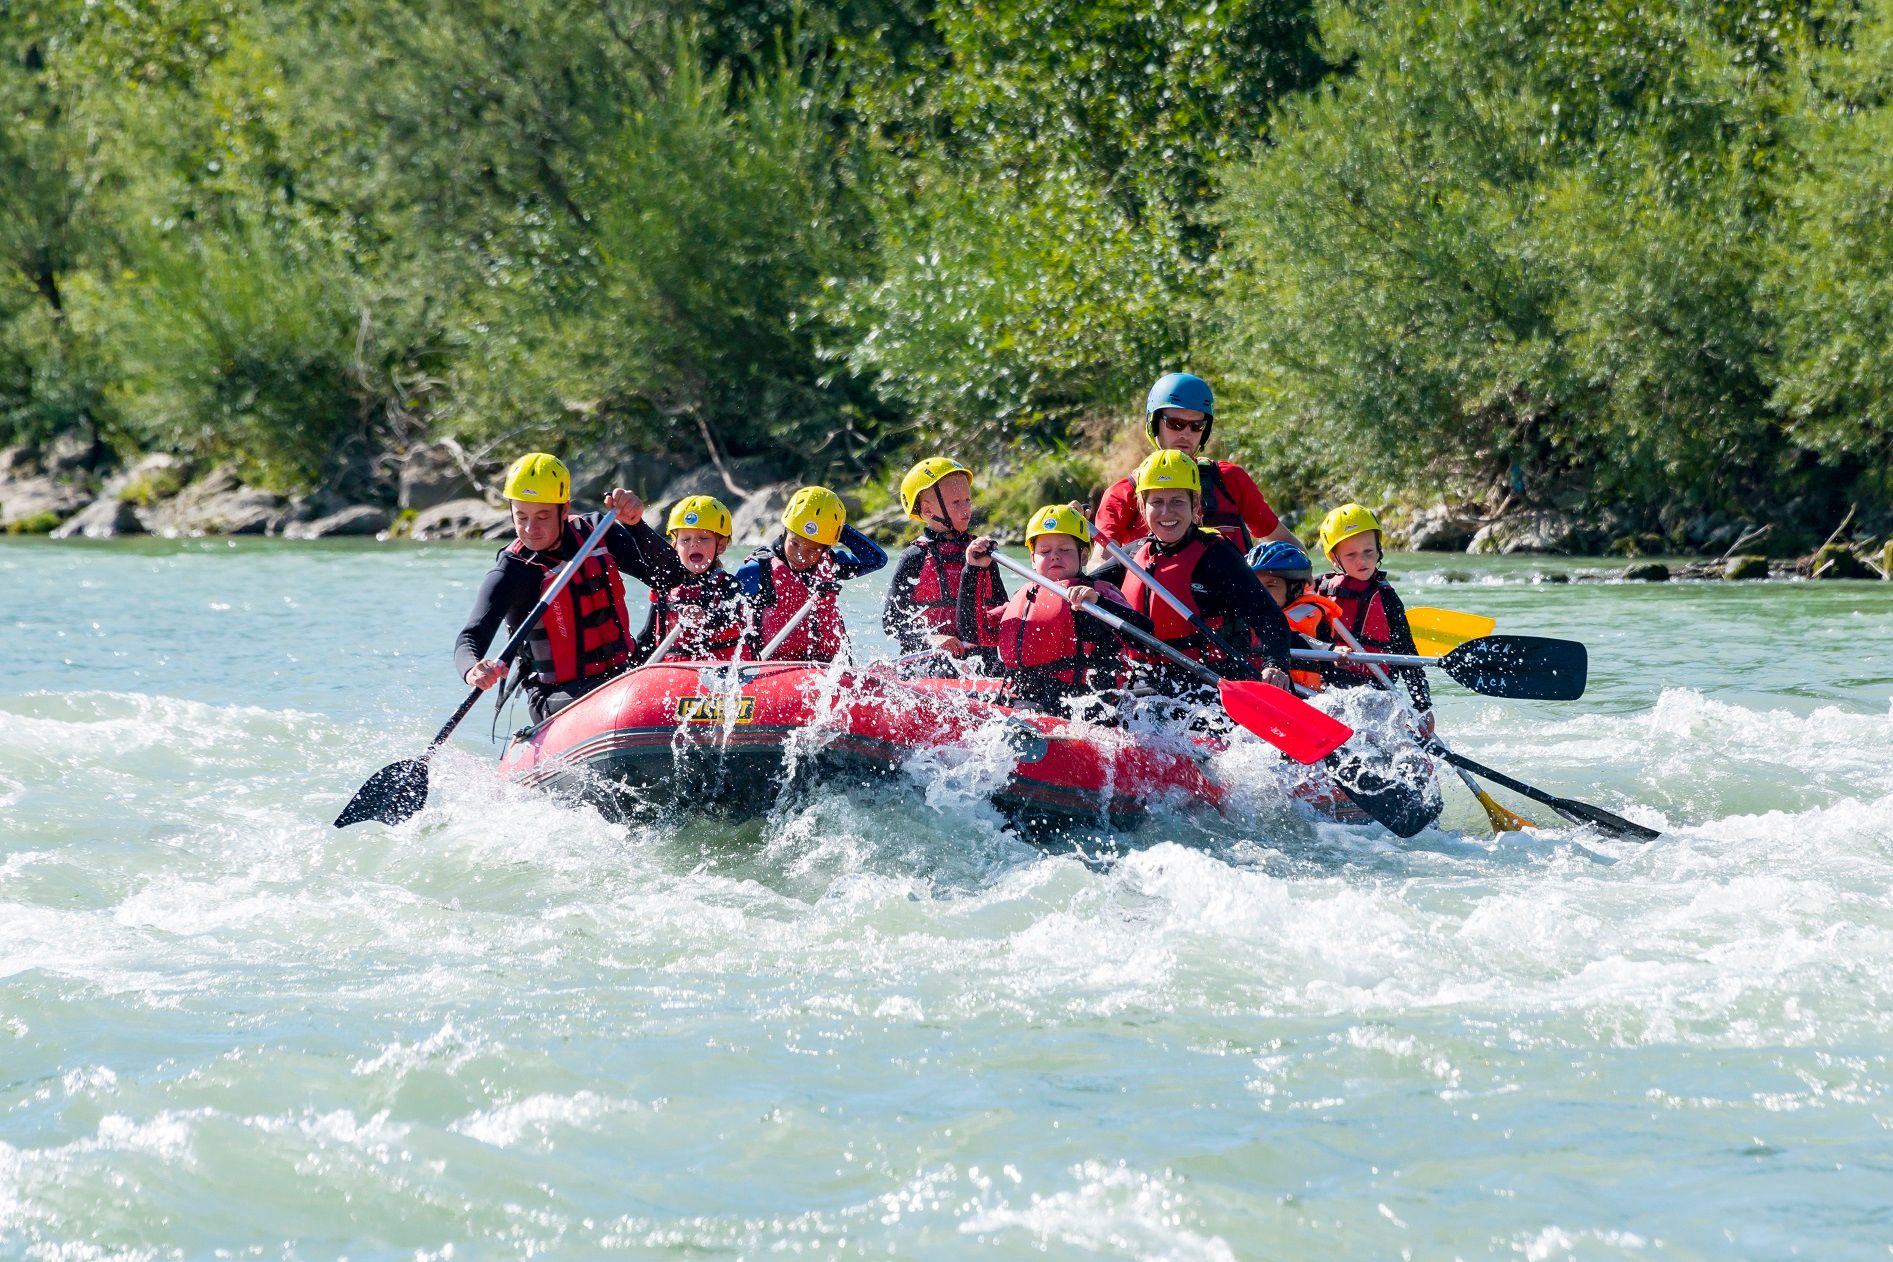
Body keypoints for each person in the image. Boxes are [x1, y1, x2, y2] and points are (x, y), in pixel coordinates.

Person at [456, 452, 688, 723]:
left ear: (564, 509)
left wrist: (636, 525)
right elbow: (470, 637)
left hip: (624, 674)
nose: (531, 529)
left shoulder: (598, 531)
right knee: (619, 696)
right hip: (556, 694)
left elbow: (671, 578)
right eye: (521, 516)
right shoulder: (512, 571)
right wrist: (473, 669)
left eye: (542, 516)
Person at [1087, 450, 1296, 699]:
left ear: (1195, 505)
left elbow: (1269, 616)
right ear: (1142, 507)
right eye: (1157, 502)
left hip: (1206, 685)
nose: (1167, 512)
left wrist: (1275, 664)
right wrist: (1069, 540)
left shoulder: (1217, 556)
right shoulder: (1131, 556)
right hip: (1145, 681)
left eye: (1177, 501)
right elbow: (1085, 584)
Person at [956, 505, 1153, 715]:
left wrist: (1100, 606)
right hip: (1024, 700)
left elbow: (1145, 638)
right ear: (1032, 559)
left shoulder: (1098, 593)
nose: (1055, 556)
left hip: (1083, 708)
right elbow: (974, 631)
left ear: (1084, 556)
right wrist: (973, 571)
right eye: (1044, 551)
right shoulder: (1025, 596)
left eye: (1064, 549)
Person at [1092, 372, 1300, 559]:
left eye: (1196, 426)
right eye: (1175, 424)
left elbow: (1289, 546)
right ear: (1154, 424)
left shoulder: (1230, 479)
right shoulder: (1123, 494)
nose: (1186, 434)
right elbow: (1098, 562)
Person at [736, 486, 887, 662]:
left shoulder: (830, 563)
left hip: (825, 669)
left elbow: (876, 559)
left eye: (813, 549)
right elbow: (729, 616)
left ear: (825, 548)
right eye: (794, 543)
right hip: (771, 668)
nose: (800, 555)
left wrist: (836, 529)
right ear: (786, 530)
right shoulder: (757, 568)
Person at [882, 455, 1003, 664]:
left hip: (982, 662)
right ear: (928, 510)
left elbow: (1003, 607)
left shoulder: (983, 554)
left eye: (967, 500)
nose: (965, 509)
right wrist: (930, 638)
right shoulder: (914, 557)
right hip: (930, 662)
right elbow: (892, 622)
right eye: (956, 502)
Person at [1313, 503, 1432, 713]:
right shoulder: (1318, 590)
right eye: (1351, 555)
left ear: (1379, 548)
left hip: (1375, 692)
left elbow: (1407, 653)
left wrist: (1423, 705)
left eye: (1369, 551)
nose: (1362, 560)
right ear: (1334, 557)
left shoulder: (1387, 598)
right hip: (1324, 691)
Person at [636, 495, 747, 662]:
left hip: (719, 673)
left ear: (721, 546)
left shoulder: (728, 585)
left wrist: (705, 617)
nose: (694, 544)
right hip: (670, 676)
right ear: (674, 546)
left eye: (704, 538)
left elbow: (728, 615)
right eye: (685, 540)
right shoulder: (665, 587)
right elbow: (647, 636)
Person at [1248, 540, 1350, 693]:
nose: (1261, 593)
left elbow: (1293, 637)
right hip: (1256, 686)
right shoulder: (1244, 614)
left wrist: (1331, 650)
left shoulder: (1309, 614)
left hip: (1304, 696)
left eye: (1271, 585)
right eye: (1256, 586)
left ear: (1294, 588)